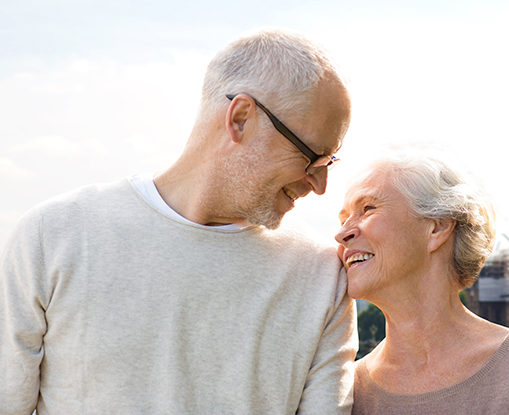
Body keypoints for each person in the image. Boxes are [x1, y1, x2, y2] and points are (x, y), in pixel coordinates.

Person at [0, 30, 357, 414]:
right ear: (240, 119)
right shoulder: (52, 237)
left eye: (329, 163)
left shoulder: (323, 278)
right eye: (313, 157)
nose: (320, 185)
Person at [334, 154, 509, 414]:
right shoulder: (347, 393)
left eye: (367, 209)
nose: (342, 233)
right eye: (343, 219)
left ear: (437, 227)